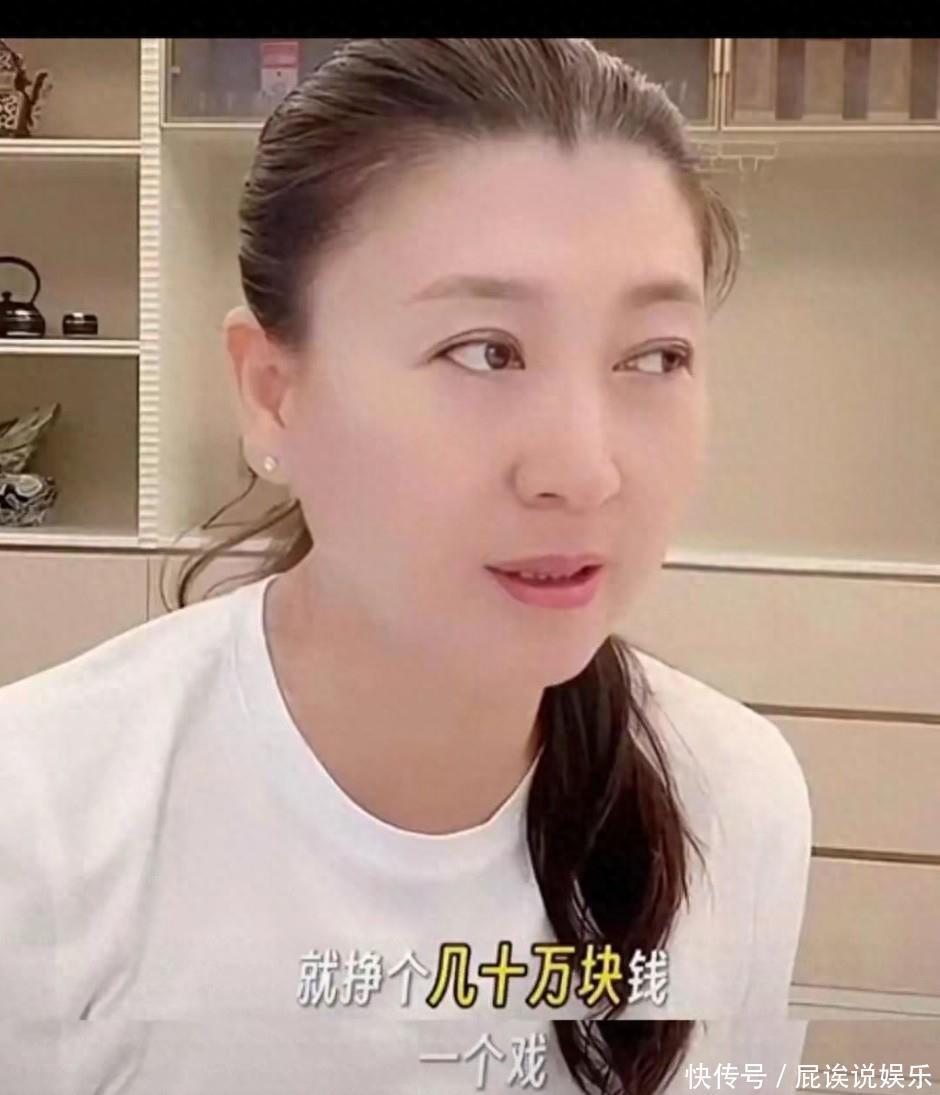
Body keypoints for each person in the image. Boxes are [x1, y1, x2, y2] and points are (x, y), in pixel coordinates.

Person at [0, 38, 812, 1095]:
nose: (583, 471)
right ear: (274, 393)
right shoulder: (42, 816)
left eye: (654, 356)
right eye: (484, 350)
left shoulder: (731, 796)